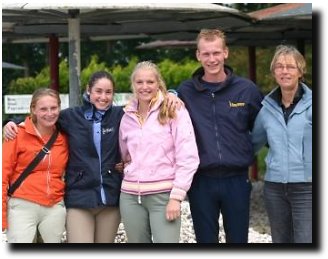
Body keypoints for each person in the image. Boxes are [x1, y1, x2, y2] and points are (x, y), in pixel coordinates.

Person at [4, 71, 183, 243]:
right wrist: (11, 122)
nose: (103, 97)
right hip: (79, 198)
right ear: (88, 90)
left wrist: (172, 94)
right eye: (98, 91)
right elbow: (43, 118)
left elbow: (146, 106)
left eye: (108, 92)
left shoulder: (122, 115)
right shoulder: (70, 117)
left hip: (110, 198)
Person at [176, 29, 263, 243]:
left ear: (226, 53)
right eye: (206, 54)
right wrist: (170, 93)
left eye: (216, 52)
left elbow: (262, 128)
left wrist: (246, 151)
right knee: (205, 242)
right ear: (198, 55)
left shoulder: (247, 90)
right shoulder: (185, 91)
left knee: (238, 241)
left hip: (237, 179)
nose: (212, 59)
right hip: (201, 180)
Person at [118, 61, 199, 243]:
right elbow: (125, 155)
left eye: (150, 82)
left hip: (163, 196)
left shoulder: (173, 110)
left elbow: (188, 157)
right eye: (139, 82)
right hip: (130, 197)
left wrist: (177, 197)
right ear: (133, 85)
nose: (145, 87)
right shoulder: (126, 116)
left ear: (158, 84)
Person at [252, 45, 312, 243]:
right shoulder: (267, 108)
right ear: (273, 72)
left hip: (307, 187)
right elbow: (252, 143)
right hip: (275, 188)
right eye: (279, 66)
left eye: (290, 66)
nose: (284, 71)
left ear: (300, 72)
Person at [2, 88, 69, 243]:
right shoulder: (16, 134)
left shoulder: (65, 137)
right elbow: (2, 176)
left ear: (59, 108)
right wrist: (2, 216)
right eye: (43, 109)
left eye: (53, 108)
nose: (49, 113)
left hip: (54, 205)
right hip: (22, 204)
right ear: (33, 110)